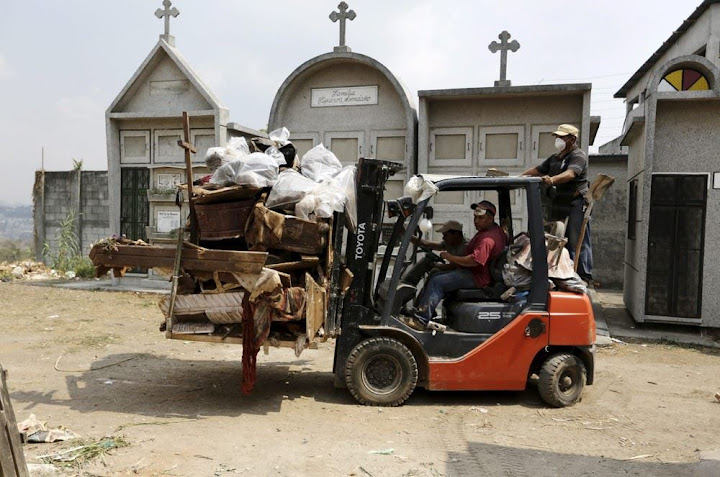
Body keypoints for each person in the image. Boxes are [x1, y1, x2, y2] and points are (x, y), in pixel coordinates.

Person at [414, 201, 506, 326]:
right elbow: (429, 244)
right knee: (436, 277)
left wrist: (450, 257)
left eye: (480, 218)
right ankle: (426, 312)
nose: (476, 221)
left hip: (477, 277)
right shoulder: (494, 231)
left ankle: (421, 320)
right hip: (477, 274)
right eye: (475, 217)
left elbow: (475, 261)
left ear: (490, 218)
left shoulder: (487, 239)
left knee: (438, 281)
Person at [522, 124, 593, 281]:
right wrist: (518, 177)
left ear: (572, 139)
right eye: (557, 137)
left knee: (577, 238)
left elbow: (570, 174)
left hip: (576, 202)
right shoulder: (555, 158)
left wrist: (551, 180)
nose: (558, 140)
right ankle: (564, 271)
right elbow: (537, 170)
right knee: (559, 238)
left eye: (562, 137)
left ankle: (583, 275)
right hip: (560, 202)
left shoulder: (578, 156)